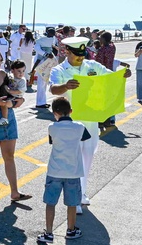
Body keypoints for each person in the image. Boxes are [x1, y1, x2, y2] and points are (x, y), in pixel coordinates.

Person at [49, 36, 131, 213]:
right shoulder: (60, 69)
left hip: (90, 120)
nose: (81, 58)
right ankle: (75, 199)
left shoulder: (92, 66)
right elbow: (53, 88)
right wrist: (66, 86)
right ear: (67, 52)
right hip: (70, 122)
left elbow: (110, 77)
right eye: (77, 54)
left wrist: (123, 74)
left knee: (87, 157)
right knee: (75, 160)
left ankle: (82, 192)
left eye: (82, 54)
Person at [37, 96, 90, 243]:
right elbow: (85, 138)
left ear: (55, 113)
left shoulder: (52, 127)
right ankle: (71, 229)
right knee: (72, 203)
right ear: (71, 111)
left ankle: (48, 232)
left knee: (50, 202)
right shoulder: (80, 127)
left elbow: (51, 141)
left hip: (55, 171)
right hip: (73, 172)